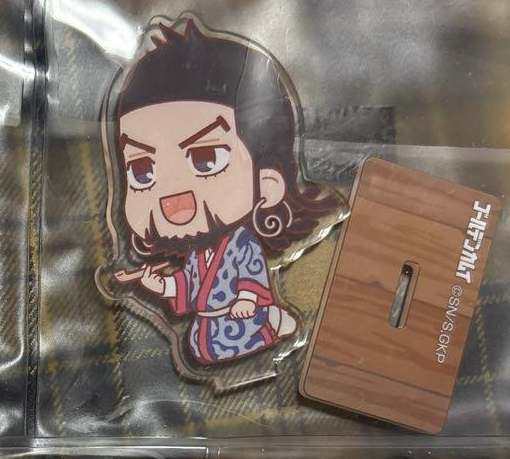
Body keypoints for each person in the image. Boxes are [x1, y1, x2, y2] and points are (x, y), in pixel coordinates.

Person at [110, 19, 342, 365]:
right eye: (143, 170)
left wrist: (248, 299)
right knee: (205, 345)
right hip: (206, 331)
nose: (173, 198)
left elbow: (251, 276)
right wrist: (161, 286)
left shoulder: (244, 244)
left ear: (268, 183)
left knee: (238, 337)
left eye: (206, 158)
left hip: (240, 322)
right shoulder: (195, 256)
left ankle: (273, 321)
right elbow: (189, 288)